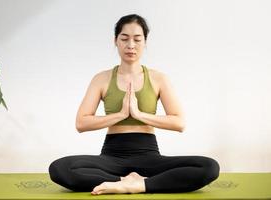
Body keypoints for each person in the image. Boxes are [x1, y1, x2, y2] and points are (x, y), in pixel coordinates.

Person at [48, 14, 220, 195]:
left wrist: (139, 114)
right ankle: (124, 182)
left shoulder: (158, 78)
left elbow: (179, 123)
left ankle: (140, 185)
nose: (130, 45)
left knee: (209, 167)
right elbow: (81, 123)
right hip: (111, 158)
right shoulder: (102, 79)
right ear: (115, 41)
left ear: (145, 42)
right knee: (60, 168)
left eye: (137, 39)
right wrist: (120, 115)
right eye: (124, 39)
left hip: (149, 156)